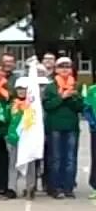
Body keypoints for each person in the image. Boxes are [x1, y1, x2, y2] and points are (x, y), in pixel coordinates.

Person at [42, 56, 82, 198]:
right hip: (55, 126)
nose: (65, 69)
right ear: (56, 70)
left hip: (71, 126)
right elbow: (47, 106)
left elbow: (79, 107)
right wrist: (62, 97)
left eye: (67, 67)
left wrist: (71, 97)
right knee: (56, 158)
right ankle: (56, 187)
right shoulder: (51, 86)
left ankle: (68, 187)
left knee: (70, 158)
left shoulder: (76, 85)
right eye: (61, 67)